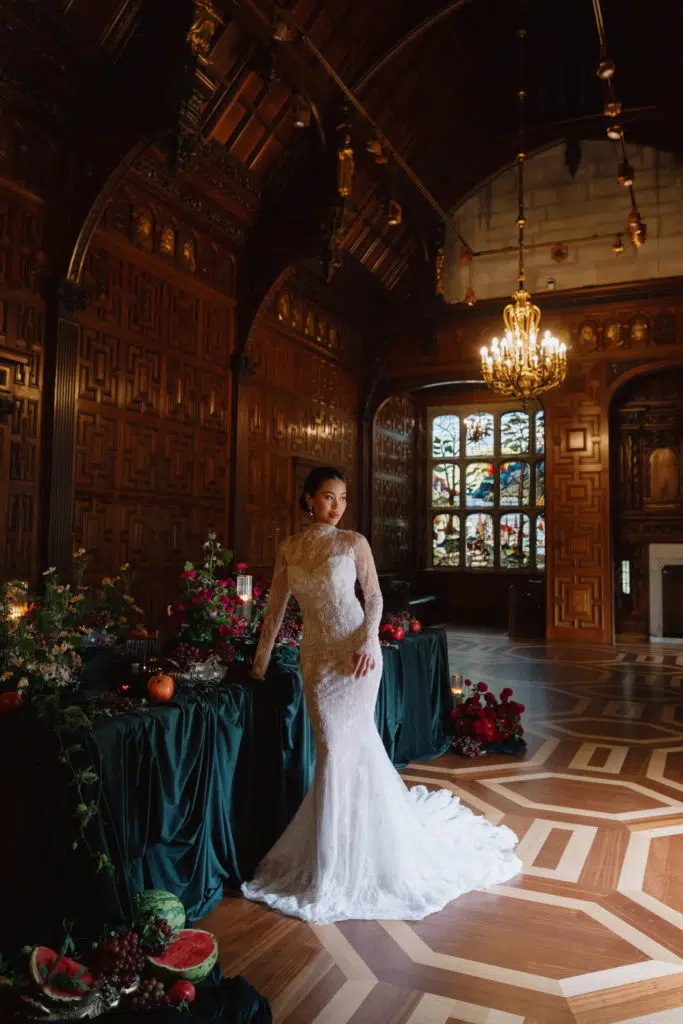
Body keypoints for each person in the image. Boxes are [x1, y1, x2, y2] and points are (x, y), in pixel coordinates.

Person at [242, 467, 520, 924]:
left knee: (337, 751)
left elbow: (373, 598)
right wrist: (259, 664)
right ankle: (337, 851)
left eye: (343, 498)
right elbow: (275, 608)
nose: (337, 506)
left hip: (357, 656)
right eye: (329, 497)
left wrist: (370, 641)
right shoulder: (289, 547)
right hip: (316, 661)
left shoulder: (353, 543)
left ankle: (337, 866)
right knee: (335, 750)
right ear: (309, 499)